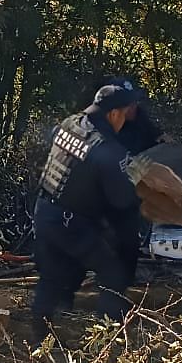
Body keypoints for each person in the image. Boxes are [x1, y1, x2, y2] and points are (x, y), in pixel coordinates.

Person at [30, 84, 145, 343]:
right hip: (70, 222)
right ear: (114, 114)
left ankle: (39, 338)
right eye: (124, 113)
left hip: (44, 210)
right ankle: (106, 339)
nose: (125, 119)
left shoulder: (70, 123)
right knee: (113, 274)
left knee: (53, 275)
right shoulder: (107, 148)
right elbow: (122, 200)